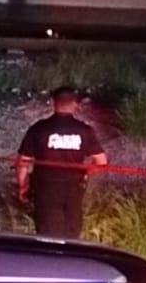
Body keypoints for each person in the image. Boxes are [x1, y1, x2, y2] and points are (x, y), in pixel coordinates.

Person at [16, 86, 106, 238]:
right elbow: (101, 162)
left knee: (47, 234)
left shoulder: (38, 129)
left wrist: (22, 186)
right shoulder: (85, 130)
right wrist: (85, 172)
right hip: (73, 188)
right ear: (75, 105)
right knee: (72, 233)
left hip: (46, 188)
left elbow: (22, 163)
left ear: (53, 103)